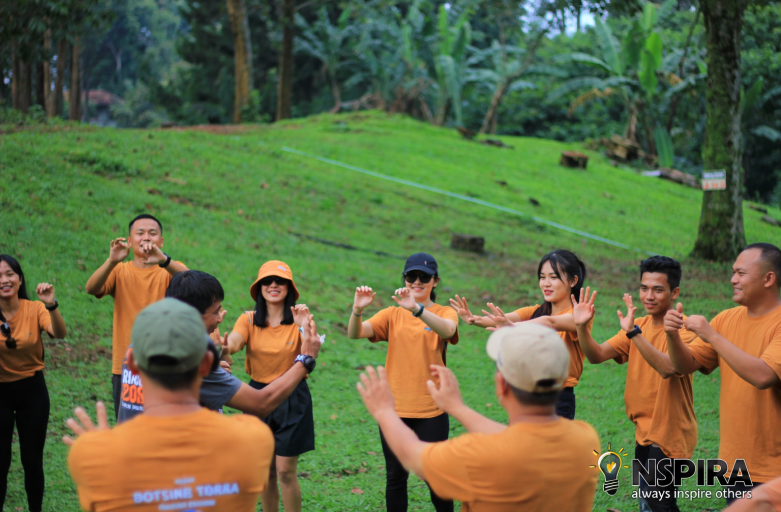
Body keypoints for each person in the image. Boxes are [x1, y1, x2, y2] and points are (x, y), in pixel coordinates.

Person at [356, 322, 600, 511]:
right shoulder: (585, 439)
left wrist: (384, 411)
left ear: (501, 385)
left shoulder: (478, 453)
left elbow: (413, 456)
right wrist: (457, 408)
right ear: (562, 380)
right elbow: (523, 441)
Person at [65, 298, 275, 511]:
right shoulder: (253, 439)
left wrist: (102, 451)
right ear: (206, 364)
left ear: (133, 363)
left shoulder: (93, 458)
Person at [571, 256, 698, 512]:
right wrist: (581, 327)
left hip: (670, 431)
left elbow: (667, 368)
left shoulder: (683, 330)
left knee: (659, 503)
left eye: (658, 290)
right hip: (643, 430)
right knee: (647, 503)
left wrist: (633, 334)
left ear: (674, 293)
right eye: (644, 288)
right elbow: (596, 355)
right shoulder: (639, 325)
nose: (649, 296)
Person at [117, 270, 321, 424]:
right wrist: (305, 360)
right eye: (215, 312)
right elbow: (260, 403)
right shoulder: (191, 358)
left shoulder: (138, 344)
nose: (219, 319)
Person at [665, 243, 781, 505]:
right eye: (732, 272)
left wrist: (711, 335)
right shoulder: (727, 319)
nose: (732, 280)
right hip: (735, 465)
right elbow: (685, 365)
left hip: (774, 471)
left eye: (741, 273)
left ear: (768, 279)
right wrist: (672, 336)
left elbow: (764, 376)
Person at [347, 252, 458, 512]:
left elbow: (448, 330)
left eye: (424, 277)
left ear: (435, 281)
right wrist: (358, 310)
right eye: (411, 276)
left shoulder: (444, 312)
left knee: (436, 477)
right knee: (396, 477)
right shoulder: (392, 314)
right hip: (395, 410)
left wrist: (417, 309)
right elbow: (355, 333)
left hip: (431, 409)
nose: (417, 281)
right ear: (404, 279)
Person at [451, 249, 588, 419]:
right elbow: (500, 319)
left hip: (559, 398)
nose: (546, 283)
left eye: (553, 277)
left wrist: (514, 326)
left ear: (573, 280)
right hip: (527, 392)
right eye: (542, 277)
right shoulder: (535, 311)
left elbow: (550, 322)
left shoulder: (579, 316)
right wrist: (473, 319)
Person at [225, 261, 315, 512]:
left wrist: (304, 326)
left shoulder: (300, 319)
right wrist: (222, 345)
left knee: (285, 471)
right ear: (259, 287)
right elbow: (234, 342)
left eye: (280, 281)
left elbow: (311, 350)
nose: (273, 285)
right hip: (256, 396)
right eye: (267, 281)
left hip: (292, 396)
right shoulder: (248, 319)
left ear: (289, 288)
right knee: (265, 471)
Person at [84, 214, 187, 418]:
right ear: (130, 241)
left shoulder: (169, 270)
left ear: (161, 241)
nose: (146, 237)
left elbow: (192, 282)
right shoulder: (119, 271)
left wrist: (164, 260)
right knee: (127, 427)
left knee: (162, 425)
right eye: (140, 233)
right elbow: (91, 288)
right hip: (126, 367)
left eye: (152, 233)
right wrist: (111, 261)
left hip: (165, 364)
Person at [0, 255, 67, 512]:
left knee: (32, 461)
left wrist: (51, 305)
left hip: (32, 392)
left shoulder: (35, 309)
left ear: (19, 279)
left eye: (9, 274)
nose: (4, 280)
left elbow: (59, 333)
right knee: (0, 462)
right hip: (0, 393)